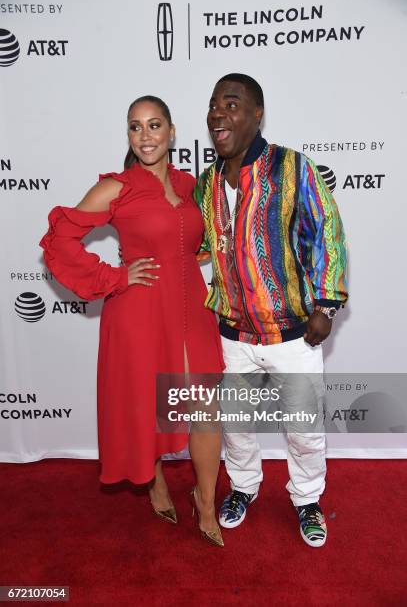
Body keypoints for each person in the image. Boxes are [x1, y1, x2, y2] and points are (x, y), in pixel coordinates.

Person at [40, 96, 225, 547]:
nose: (145, 136)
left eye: (154, 125)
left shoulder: (191, 186)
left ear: (172, 131)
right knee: (148, 405)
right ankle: (156, 482)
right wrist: (114, 276)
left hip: (192, 308)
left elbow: (199, 235)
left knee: (206, 410)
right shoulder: (116, 187)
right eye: (135, 127)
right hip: (138, 312)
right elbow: (59, 239)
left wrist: (198, 252)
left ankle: (205, 501)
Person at [194, 73, 348, 547]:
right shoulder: (207, 182)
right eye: (214, 105)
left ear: (257, 114)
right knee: (236, 424)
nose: (219, 113)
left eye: (232, 104)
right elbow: (199, 245)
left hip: (292, 332)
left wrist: (325, 305)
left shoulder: (293, 167)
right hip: (232, 334)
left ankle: (307, 499)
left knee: (303, 426)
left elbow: (325, 231)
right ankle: (243, 486)